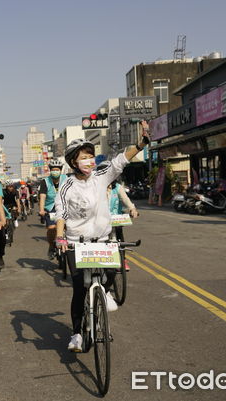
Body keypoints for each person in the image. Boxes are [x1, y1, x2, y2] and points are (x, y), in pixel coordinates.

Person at [55, 121, 150, 352]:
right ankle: (77, 333)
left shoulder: (101, 176)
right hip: (77, 244)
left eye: (90, 155)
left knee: (111, 274)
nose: (88, 160)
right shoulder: (67, 185)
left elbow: (121, 159)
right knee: (79, 288)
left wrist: (141, 143)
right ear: (72, 162)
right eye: (82, 157)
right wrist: (60, 237)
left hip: (103, 241)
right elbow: (61, 213)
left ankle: (104, 292)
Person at [39, 159, 67, 260]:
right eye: (53, 170)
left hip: (65, 206)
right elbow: (42, 196)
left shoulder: (66, 179)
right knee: (51, 228)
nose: (55, 171)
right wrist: (42, 210)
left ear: (61, 170)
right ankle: (51, 246)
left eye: (57, 169)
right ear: (50, 171)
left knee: (68, 227)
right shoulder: (45, 182)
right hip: (51, 208)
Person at [108, 179, 138, 271]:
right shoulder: (96, 186)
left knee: (119, 237)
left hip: (115, 219)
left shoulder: (117, 187)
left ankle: (122, 259)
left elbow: (126, 199)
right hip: (100, 220)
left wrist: (132, 209)